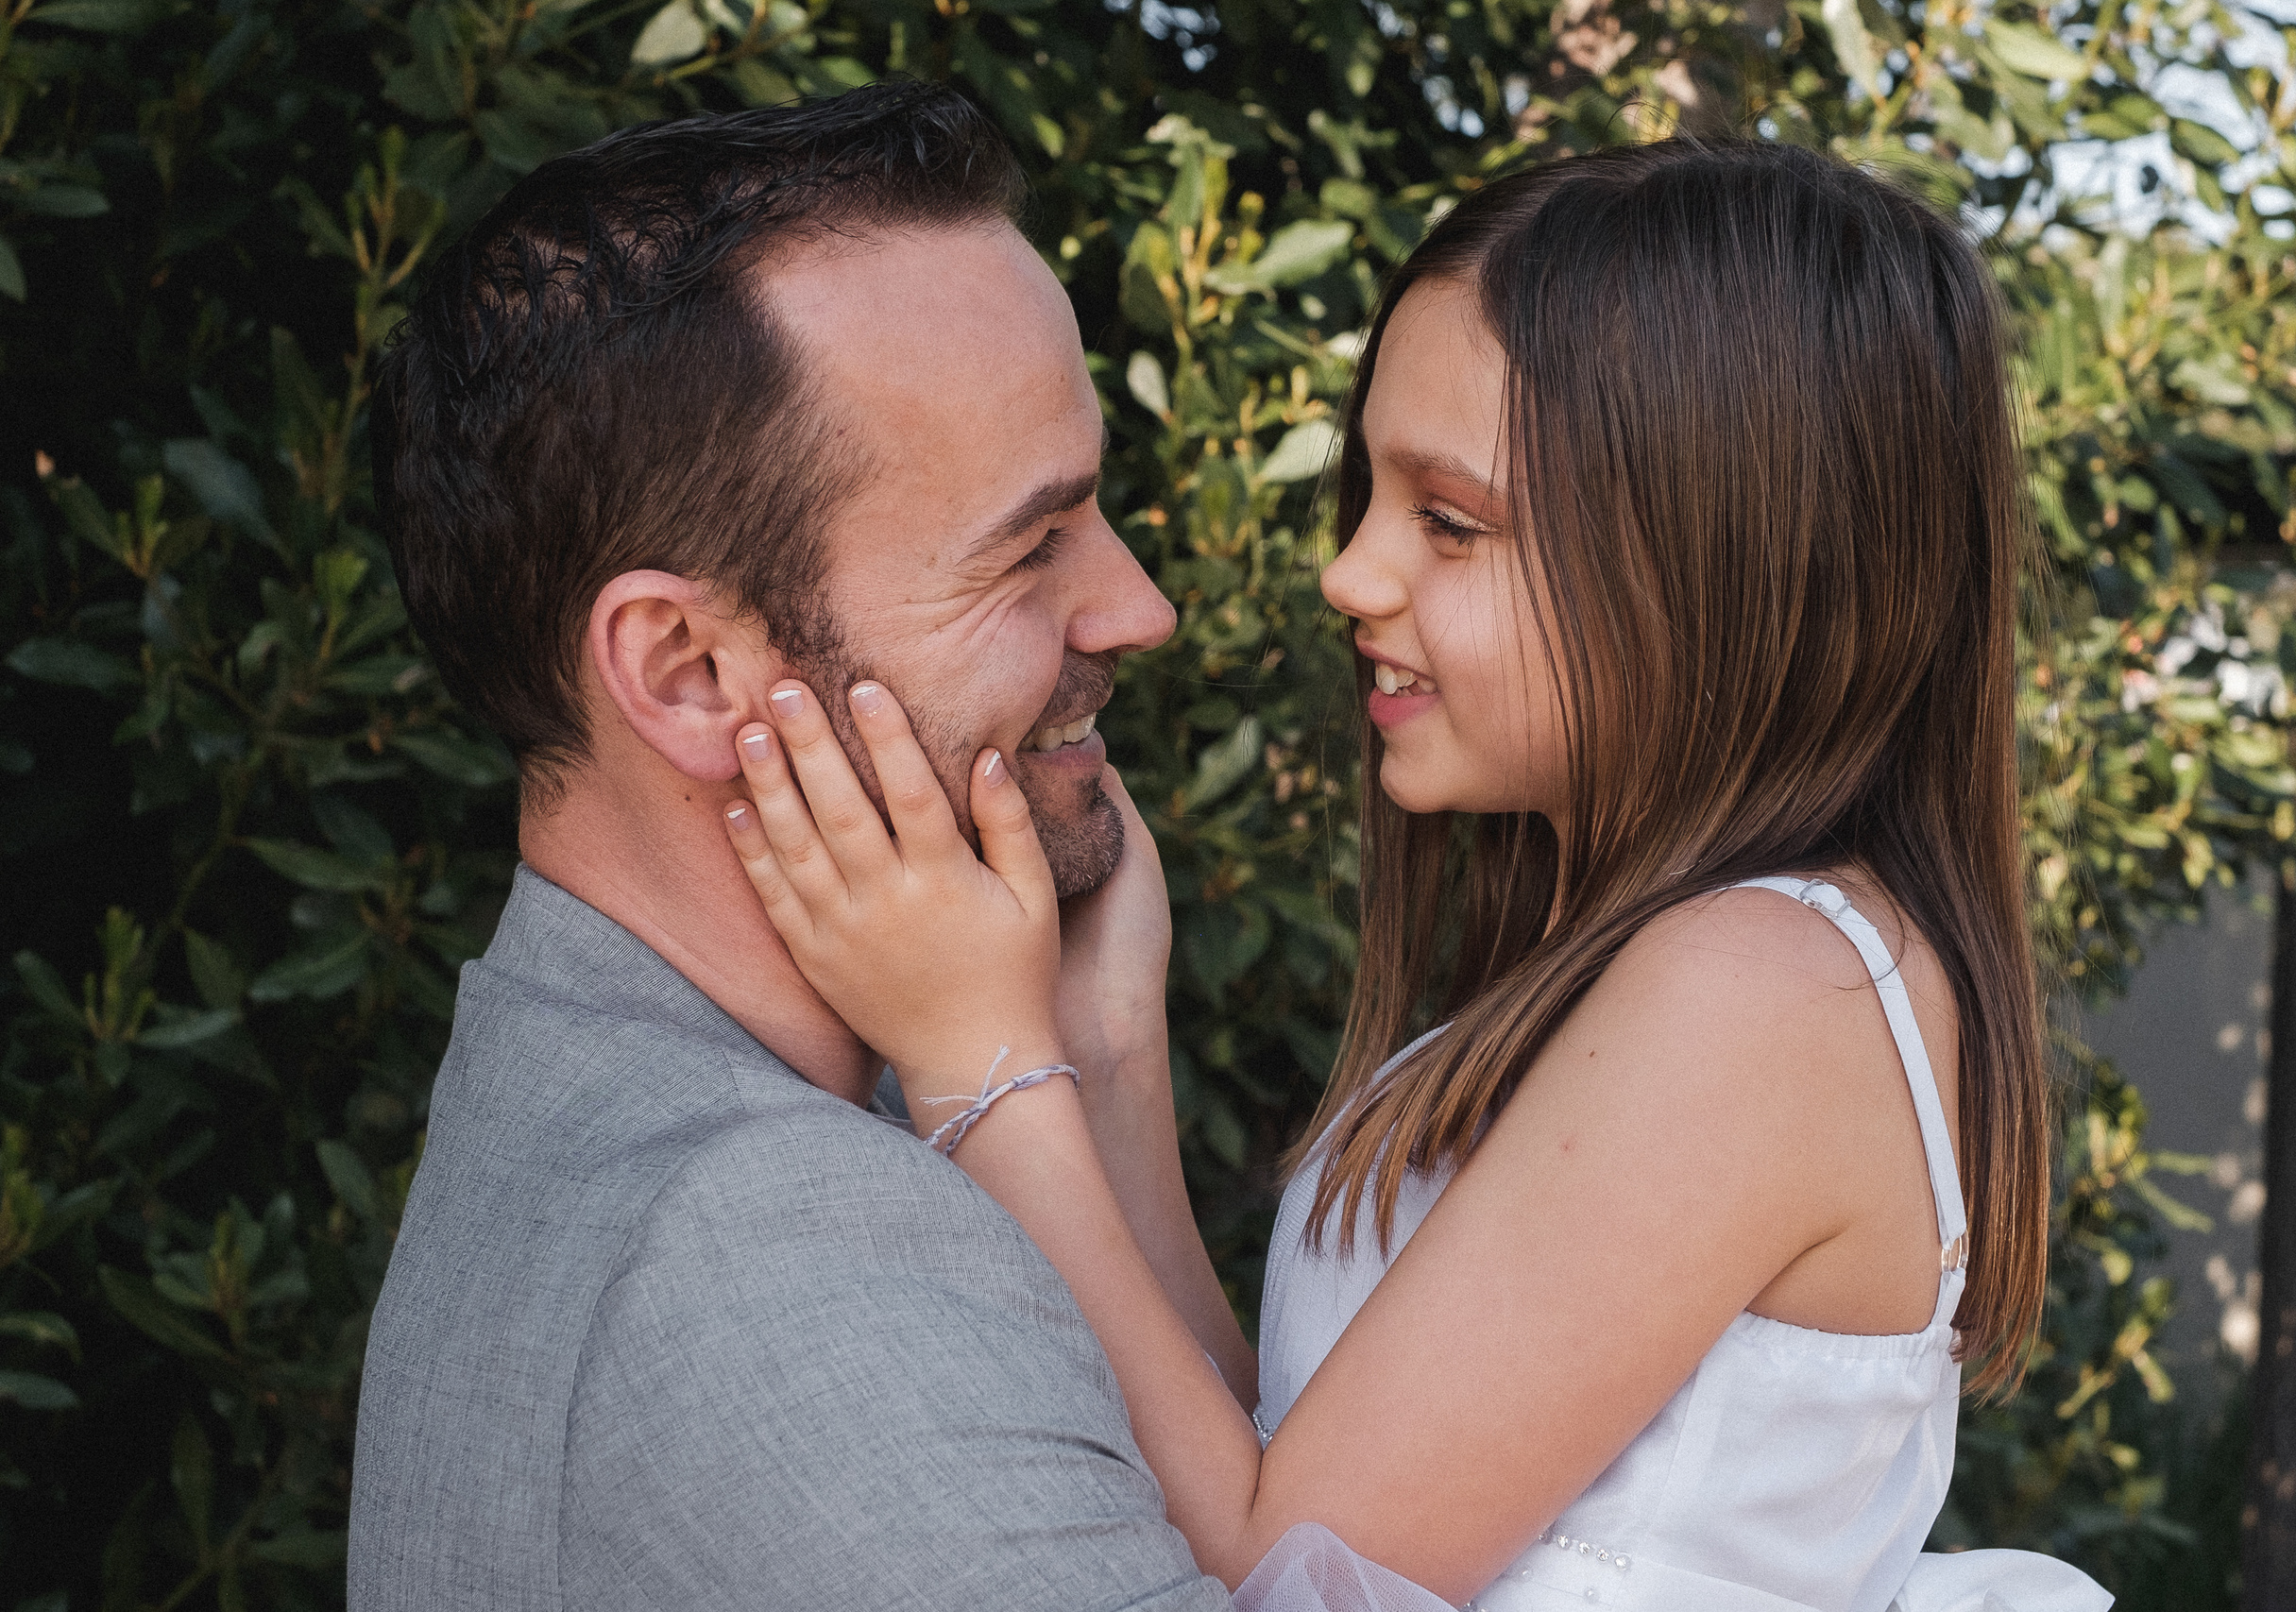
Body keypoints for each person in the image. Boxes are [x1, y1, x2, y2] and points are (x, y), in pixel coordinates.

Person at [723, 142, 2118, 1611]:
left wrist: (977, 1064)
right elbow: (1291, 1474)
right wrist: (1109, 1044)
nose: (1351, 574)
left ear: (1721, 559)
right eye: (1371, 499)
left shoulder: (1770, 988)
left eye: (1450, 522)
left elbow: (1284, 1570)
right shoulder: (1676, 960)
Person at [349, 82, 1252, 1609]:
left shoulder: (569, 1096)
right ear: (691, 670)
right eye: (1031, 545)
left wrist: (1093, 1054)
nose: (1139, 609)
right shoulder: (779, 1244)